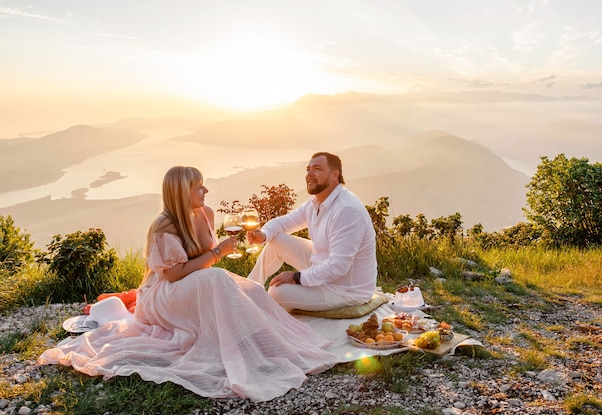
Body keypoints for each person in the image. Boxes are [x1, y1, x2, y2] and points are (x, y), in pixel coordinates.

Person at [39, 166, 338, 402]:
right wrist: (218, 252)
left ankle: (264, 344)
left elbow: (205, 264)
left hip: (194, 282)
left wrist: (218, 254)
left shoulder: (205, 213)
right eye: (199, 186)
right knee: (220, 279)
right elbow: (175, 274)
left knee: (252, 289)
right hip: (164, 294)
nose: (206, 190)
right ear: (183, 192)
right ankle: (240, 353)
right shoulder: (164, 227)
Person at [247, 152, 377, 312]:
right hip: (323, 266)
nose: (309, 174)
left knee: (277, 291)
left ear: (335, 175)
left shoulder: (346, 210)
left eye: (317, 169)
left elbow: (338, 266)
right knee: (276, 240)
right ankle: (247, 292)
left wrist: (297, 277)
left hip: (346, 290)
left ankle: (259, 309)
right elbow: (285, 222)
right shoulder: (315, 202)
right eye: (308, 169)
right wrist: (264, 234)